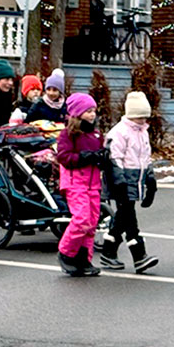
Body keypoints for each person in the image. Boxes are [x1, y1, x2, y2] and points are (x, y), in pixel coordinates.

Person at [100, 91, 159, 274]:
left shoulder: (143, 133)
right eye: (139, 116)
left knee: (122, 217)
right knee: (129, 216)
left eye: (144, 116)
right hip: (123, 179)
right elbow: (113, 157)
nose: (142, 120)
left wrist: (150, 179)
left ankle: (108, 251)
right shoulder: (119, 132)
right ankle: (139, 255)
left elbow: (146, 156)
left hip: (136, 177)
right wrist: (119, 180)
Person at [54, 93, 106, 276]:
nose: (92, 115)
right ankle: (67, 252)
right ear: (78, 113)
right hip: (76, 183)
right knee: (82, 219)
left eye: (94, 111)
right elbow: (63, 157)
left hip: (93, 184)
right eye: (88, 111)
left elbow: (100, 154)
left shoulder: (96, 134)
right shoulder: (69, 134)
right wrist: (84, 157)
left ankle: (84, 258)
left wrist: (102, 158)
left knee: (91, 223)